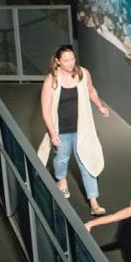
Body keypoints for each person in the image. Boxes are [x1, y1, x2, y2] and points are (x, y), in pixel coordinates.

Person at [38, 44, 110, 215]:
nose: (70, 63)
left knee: (86, 162)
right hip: (61, 129)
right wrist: (52, 133)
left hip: (81, 127)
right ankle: (61, 181)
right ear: (58, 61)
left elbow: (91, 91)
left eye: (72, 59)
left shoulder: (83, 74)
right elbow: (46, 110)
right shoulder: (51, 80)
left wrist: (100, 106)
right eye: (66, 60)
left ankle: (94, 202)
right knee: (61, 158)